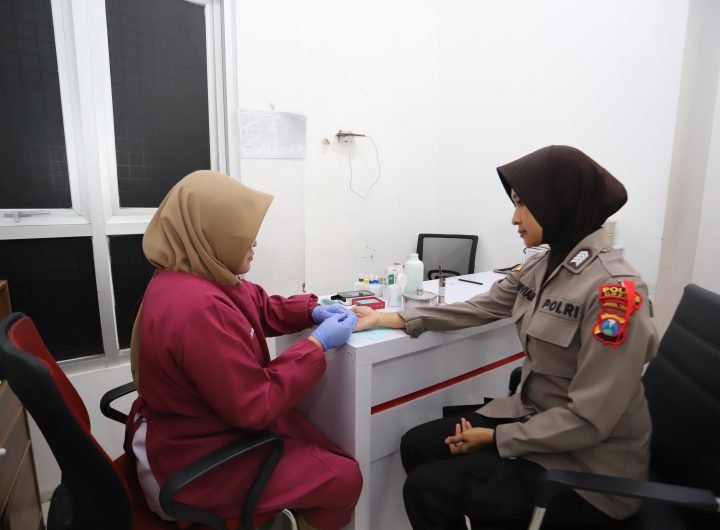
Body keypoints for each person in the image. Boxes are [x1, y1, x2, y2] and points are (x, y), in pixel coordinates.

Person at [352, 145, 659, 529]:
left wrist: (498, 439)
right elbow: (480, 306)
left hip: (588, 468)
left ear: (559, 203)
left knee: (427, 490)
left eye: (524, 204)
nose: (515, 218)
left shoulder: (614, 293)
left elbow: (590, 420)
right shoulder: (544, 265)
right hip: (536, 419)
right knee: (418, 444)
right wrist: (393, 317)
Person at [125, 170, 361, 530]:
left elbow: (259, 306)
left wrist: (311, 310)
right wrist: (316, 345)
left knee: (312, 437)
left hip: (191, 432)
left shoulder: (195, 274)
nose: (253, 246)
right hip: (196, 464)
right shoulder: (197, 309)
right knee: (344, 478)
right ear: (210, 234)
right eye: (244, 238)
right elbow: (254, 405)